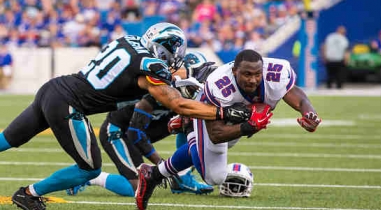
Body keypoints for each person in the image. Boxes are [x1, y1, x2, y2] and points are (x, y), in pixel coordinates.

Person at [0, 22, 251, 210]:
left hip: (53, 89)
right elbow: (179, 104)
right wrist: (222, 111)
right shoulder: (150, 66)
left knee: (7, 140)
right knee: (89, 169)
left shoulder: (129, 40)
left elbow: (139, 73)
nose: (175, 59)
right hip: (68, 104)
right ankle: (29, 194)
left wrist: (176, 80)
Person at [135, 49, 322, 210]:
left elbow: (298, 97)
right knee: (214, 177)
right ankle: (192, 122)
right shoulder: (220, 84)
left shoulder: (276, 72)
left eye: (257, 74)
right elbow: (217, 135)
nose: (253, 79)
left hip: (237, 116)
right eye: (247, 74)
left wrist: (310, 114)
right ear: (234, 72)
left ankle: (152, 174)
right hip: (214, 113)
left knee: (214, 143)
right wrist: (249, 126)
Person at [66, 52, 217, 197]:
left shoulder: (183, 92)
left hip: (141, 130)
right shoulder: (158, 88)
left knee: (192, 119)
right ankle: (90, 178)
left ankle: (183, 177)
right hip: (119, 132)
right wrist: (161, 166)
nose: (197, 86)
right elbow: (135, 133)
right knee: (136, 186)